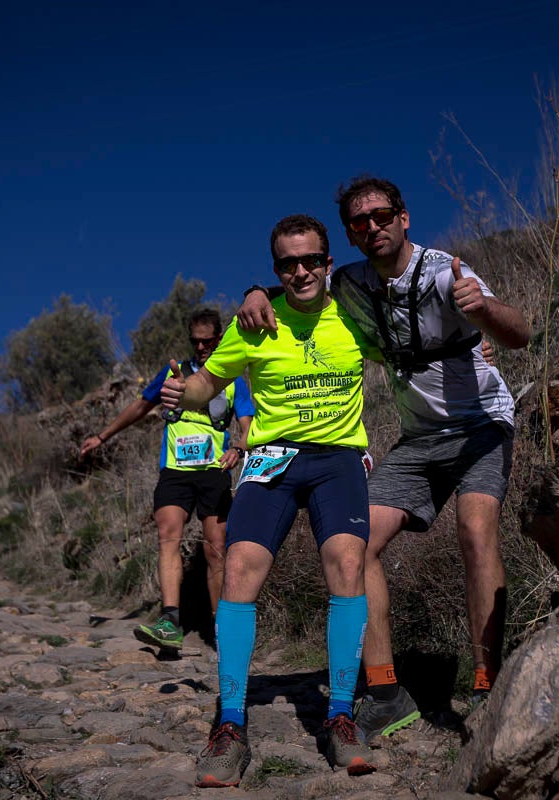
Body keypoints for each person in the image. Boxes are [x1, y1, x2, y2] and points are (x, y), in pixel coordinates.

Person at [237, 176, 530, 738]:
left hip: (480, 427)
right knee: (356, 544)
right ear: (349, 235)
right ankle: (386, 690)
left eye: (382, 215)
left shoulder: (447, 271)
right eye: (359, 222)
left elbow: (519, 333)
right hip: (419, 440)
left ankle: (487, 680)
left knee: (475, 531)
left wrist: (485, 310)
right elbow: (297, 283)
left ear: (404, 217)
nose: (372, 227)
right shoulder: (349, 282)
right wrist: (255, 291)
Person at [161, 214, 381, 787]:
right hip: (272, 458)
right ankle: (230, 723)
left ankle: (339, 715)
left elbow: (409, 348)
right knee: (238, 567)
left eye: (311, 260)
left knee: (348, 563)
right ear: (276, 269)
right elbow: (212, 383)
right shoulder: (254, 320)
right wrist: (186, 392)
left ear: (329, 263)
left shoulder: (355, 313)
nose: (301, 270)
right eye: (288, 263)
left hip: (336, 457)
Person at [80, 308, 253, 650]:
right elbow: (140, 407)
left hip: (213, 471)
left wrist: (238, 448)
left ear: (219, 339)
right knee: (167, 536)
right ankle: (170, 621)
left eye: (208, 341)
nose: (202, 348)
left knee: (217, 549)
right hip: (174, 470)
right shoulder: (174, 374)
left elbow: (249, 428)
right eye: (196, 342)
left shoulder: (233, 380)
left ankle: (222, 629)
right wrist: (102, 436)